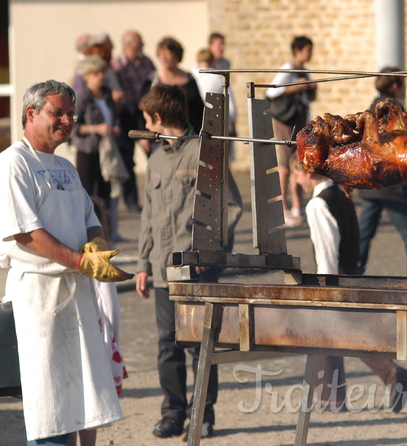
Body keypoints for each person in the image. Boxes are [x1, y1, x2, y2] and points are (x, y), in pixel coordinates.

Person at [0, 80, 132, 445]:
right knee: (50, 397)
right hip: (39, 295)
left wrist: (96, 246)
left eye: (71, 114)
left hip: (78, 294)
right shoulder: (11, 164)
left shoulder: (65, 166)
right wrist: (83, 263)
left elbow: (90, 216)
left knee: (86, 387)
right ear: (31, 113)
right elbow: (26, 234)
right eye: (58, 113)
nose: (67, 120)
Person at [135, 85, 242, 439]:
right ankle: (173, 412)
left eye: (147, 119)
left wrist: (207, 251)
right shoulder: (155, 159)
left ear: (159, 118)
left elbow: (230, 206)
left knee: (200, 344)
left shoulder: (204, 153)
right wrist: (143, 265)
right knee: (169, 345)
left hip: (198, 271)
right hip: (165, 273)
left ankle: (203, 414)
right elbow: (148, 217)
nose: (145, 125)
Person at [290, 153, 407, 413]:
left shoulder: (317, 204)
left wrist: (325, 285)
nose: (297, 181)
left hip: (337, 275)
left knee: (338, 333)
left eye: (297, 175)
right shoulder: (342, 195)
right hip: (351, 271)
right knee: (336, 333)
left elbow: (326, 248)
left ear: (308, 173)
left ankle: (384, 374)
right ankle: (333, 396)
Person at [68, 198, 127, 446]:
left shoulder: (69, 257)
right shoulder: (99, 262)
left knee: (71, 396)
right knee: (90, 398)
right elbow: (111, 307)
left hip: (69, 330)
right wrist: (114, 339)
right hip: (96, 334)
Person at [358, 68, 407, 276]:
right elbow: (401, 142)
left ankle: (354, 269)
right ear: (396, 86)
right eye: (404, 84)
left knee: (364, 233)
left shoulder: (372, 107)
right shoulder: (391, 109)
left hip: (371, 183)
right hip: (389, 183)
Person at [266, 35, 317, 227]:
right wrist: (297, 86)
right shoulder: (288, 69)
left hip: (300, 120)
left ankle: (298, 207)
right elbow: (272, 91)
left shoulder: (305, 70)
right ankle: (282, 208)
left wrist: (310, 88)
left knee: (298, 164)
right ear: (298, 50)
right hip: (286, 122)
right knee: (285, 165)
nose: (310, 53)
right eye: (308, 50)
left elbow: (309, 97)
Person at [71, 55, 120, 229]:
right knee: (87, 193)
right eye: (96, 73)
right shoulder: (82, 97)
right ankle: (86, 231)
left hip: (106, 150)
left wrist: (114, 128)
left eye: (102, 72)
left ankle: (106, 232)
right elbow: (74, 127)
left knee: (106, 193)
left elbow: (114, 117)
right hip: (88, 151)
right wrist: (96, 129)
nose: (101, 76)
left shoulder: (107, 94)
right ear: (87, 76)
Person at [112, 30, 156, 212]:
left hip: (145, 114)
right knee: (127, 160)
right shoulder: (117, 65)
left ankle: (157, 197)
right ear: (129, 44)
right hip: (126, 116)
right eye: (140, 42)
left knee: (154, 155)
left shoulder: (146, 61)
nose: (143, 46)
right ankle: (131, 201)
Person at [151, 36, 205, 133]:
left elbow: (199, 107)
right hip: (164, 133)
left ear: (176, 55)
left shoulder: (189, 78)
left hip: (191, 131)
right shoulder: (153, 80)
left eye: (167, 54)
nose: (163, 57)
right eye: (160, 54)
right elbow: (147, 108)